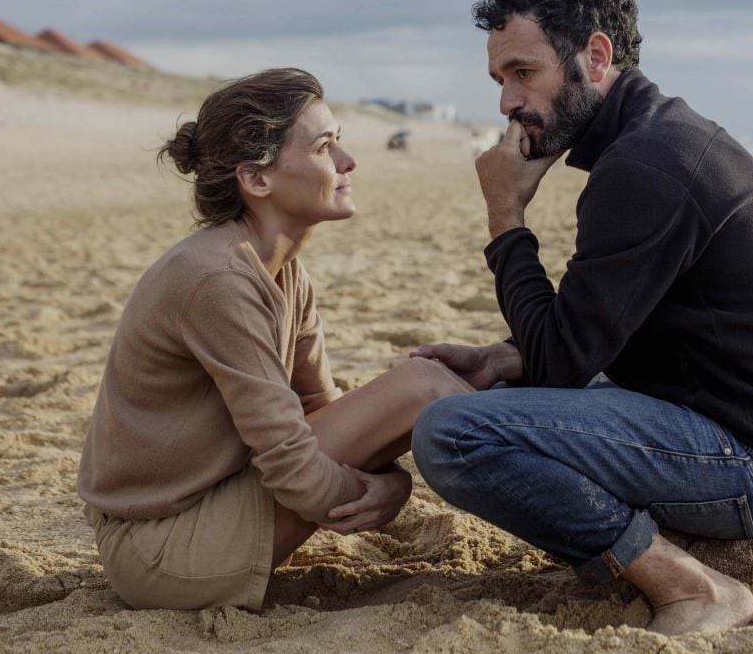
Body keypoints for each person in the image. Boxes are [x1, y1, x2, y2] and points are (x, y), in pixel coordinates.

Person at [410, 0, 753, 636]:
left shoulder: (645, 165)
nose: (507, 104)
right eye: (499, 80)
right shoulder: (651, 140)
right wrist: (508, 356)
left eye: (524, 73)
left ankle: (692, 586)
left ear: (595, 56)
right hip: (714, 425)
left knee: (453, 435)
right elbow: (595, 331)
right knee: (488, 396)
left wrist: (504, 214)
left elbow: (562, 364)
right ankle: (688, 546)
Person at [77, 68, 471, 612]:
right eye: (325, 147)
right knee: (422, 386)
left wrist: (394, 486)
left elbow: (320, 411)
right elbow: (291, 463)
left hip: (213, 505)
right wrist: (372, 495)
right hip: (160, 550)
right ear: (256, 179)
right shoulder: (218, 278)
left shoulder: (282, 271)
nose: (348, 162)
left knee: (423, 390)